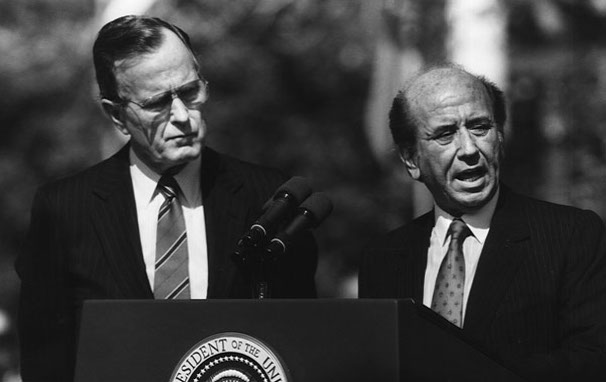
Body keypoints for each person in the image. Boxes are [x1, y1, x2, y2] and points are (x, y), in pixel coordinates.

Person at [16, 15, 317, 382]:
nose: (182, 117)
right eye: (158, 103)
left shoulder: (270, 199)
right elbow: (45, 361)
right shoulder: (65, 209)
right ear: (116, 114)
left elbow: (301, 344)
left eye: (190, 92)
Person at [358, 64, 606, 380]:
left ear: (499, 136)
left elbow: (593, 362)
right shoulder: (383, 257)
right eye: (446, 133)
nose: (470, 149)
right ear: (411, 159)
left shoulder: (570, 235)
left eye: (480, 127)